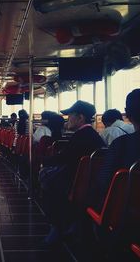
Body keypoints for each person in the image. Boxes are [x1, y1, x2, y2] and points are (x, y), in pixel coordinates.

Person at [40, 100, 105, 244]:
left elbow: (63, 158)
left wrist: (43, 160)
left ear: (80, 118)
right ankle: (71, 222)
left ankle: (57, 225)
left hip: (75, 184)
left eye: (70, 116)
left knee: (46, 177)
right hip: (93, 184)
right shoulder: (94, 136)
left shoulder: (80, 136)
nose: (67, 119)